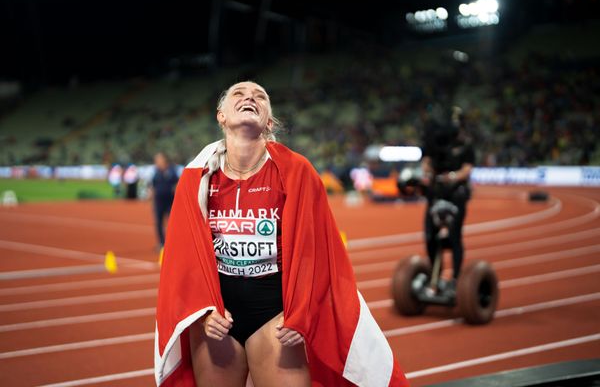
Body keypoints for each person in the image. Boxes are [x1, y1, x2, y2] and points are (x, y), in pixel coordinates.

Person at [155, 81, 408, 387]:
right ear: (221, 116)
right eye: (239, 94)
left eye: (259, 96)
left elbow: (319, 252)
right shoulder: (196, 180)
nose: (249, 97)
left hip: (274, 314)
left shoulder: (297, 172)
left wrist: (302, 311)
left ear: (269, 122)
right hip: (218, 315)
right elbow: (184, 258)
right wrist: (203, 311)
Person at [421, 107, 475, 285]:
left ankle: (456, 278)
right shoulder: (435, 141)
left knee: (454, 236)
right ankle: (435, 276)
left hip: (456, 194)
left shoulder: (466, 145)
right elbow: (426, 162)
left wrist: (451, 177)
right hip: (436, 193)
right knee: (430, 236)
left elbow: (467, 169)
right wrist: (429, 173)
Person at [149, 152, 179, 250]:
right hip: (158, 202)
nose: (156, 162)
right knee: (158, 223)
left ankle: (173, 243)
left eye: (158, 160)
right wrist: (152, 201)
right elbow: (152, 186)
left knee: (172, 223)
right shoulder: (156, 172)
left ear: (164, 160)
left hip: (170, 202)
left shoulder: (172, 170)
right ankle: (162, 243)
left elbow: (177, 185)